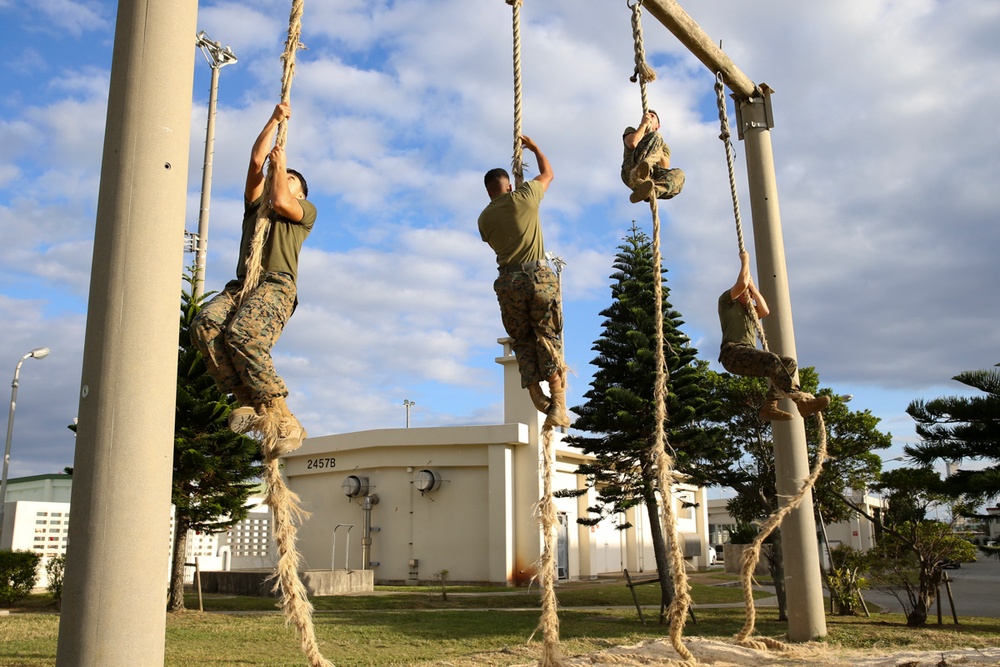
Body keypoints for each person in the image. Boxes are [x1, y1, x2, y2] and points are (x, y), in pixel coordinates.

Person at [190, 103, 317, 455]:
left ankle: (283, 416)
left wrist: (281, 168)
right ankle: (251, 402)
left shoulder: (304, 212)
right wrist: (274, 121)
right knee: (205, 325)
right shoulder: (255, 208)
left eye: (292, 178)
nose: (283, 176)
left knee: (243, 334)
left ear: (302, 194)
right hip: (243, 284)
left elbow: (279, 197)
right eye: (284, 173)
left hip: (277, 284)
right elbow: (255, 163)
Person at [478, 135, 570, 428]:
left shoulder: (483, 219)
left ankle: (535, 392)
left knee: (523, 340)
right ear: (508, 185)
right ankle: (557, 402)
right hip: (537, 278)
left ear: (489, 191)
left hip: (508, 283)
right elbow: (549, 174)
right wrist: (535, 149)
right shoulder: (525, 196)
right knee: (546, 335)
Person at [718, 250, 829, 421]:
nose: (749, 296)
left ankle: (769, 407)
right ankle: (801, 401)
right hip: (732, 354)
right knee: (771, 359)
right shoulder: (726, 303)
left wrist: (753, 288)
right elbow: (740, 285)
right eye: (747, 293)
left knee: (789, 363)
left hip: (745, 356)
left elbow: (765, 310)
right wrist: (745, 262)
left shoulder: (750, 313)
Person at [621, 109, 685, 204]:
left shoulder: (663, 145)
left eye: (652, 116)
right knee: (655, 136)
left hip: (651, 175)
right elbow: (633, 143)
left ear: (658, 126)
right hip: (631, 169)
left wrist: (658, 148)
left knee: (680, 175)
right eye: (647, 115)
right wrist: (643, 125)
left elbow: (664, 165)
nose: (649, 117)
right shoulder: (632, 131)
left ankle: (650, 191)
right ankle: (641, 172)